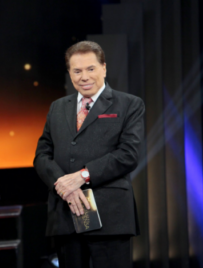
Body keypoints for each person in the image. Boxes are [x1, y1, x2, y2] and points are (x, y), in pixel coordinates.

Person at [34, 41, 144, 268]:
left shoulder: (129, 104)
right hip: (66, 214)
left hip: (110, 217)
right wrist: (63, 185)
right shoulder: (57, 107)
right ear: (70, 73)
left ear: (104, 68)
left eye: (90, 69)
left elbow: (128, 154)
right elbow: (42, 154)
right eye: (77, 71)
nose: (84, 76)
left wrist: (82, 176)